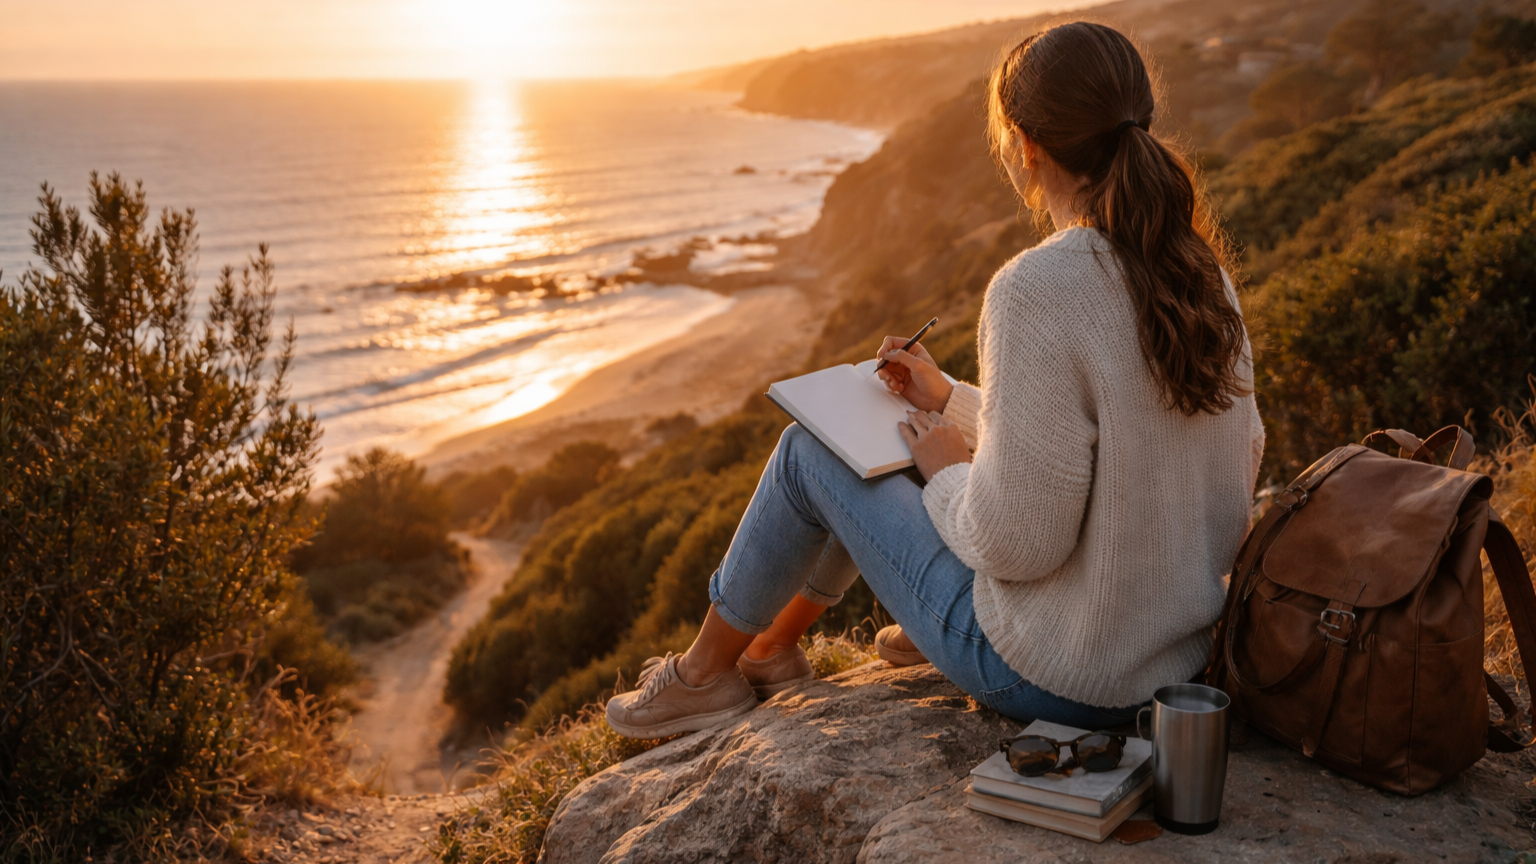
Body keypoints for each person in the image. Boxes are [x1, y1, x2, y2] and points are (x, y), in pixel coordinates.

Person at [606, 21, 1265, 739]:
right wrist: (949, 400)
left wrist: (947, 474)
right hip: (1177, 666)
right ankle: (772, 650)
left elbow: (1018, 543)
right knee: (917, 435)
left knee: (808, 453)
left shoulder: (1038, 287)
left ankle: (701, 678)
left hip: (1063, 678)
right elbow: (1129, 445)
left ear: (1025, 144)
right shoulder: (1203, 275)